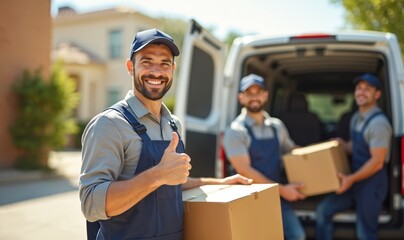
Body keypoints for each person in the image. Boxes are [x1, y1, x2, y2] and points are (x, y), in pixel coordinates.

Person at [79, 28, 252, 240]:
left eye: (164, 64)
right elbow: (91, 204)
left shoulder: (173, 124)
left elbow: (173, 184)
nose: (156, 72)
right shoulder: (109, 125)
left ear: (173, 69)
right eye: (147, 62)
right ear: (130, 67)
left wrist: (221, 183)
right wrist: (157, 175)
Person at [223, 74, 306, 240]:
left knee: (297, 236)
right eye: (249, 93)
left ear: (265, 96)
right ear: (241, 98)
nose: (254, 97)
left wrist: (319, 154)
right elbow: (244, 171)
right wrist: (283, 190)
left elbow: (291, 151)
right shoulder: (236, 131)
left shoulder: (276, 126)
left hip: (275, 197)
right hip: (248, 199)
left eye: (258, 92)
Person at [315, 73, 392, 240]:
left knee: (365, 233)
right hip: (354, 179)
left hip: (371, 184)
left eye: (367, 89)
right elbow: (355, 147)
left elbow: (377, 162)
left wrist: (350, 179)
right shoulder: (357, 117)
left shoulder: (379, 124)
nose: (361, 92)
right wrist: (342, 145)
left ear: (377, 94)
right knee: (323, 210)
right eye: (359, 88)